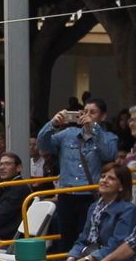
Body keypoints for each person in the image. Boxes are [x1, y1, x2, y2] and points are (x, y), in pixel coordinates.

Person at [36, 99, 118, 252]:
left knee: (87, 238)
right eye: (84, 111)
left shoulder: (109, 137)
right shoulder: (67, 134)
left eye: (92, 112)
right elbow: (42, 146)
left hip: (90, 195)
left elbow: (109, 154)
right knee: (66, 239)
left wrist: (94, 128)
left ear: (103, 116)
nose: (87, 115)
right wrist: (52, 124)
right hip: (66, 194)